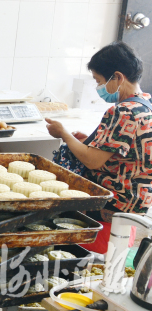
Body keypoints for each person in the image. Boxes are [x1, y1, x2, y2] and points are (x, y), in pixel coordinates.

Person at [46, 41, 152, 253]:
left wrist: (64, 134)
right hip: (133, 206)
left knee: (80, 260)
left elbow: (92, 160)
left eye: (99, 81)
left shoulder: (122, 112)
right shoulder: (145, 105)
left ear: (118, 77)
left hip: (108, 211)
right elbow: (125, 149)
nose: (98, 88)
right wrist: (90, 140)